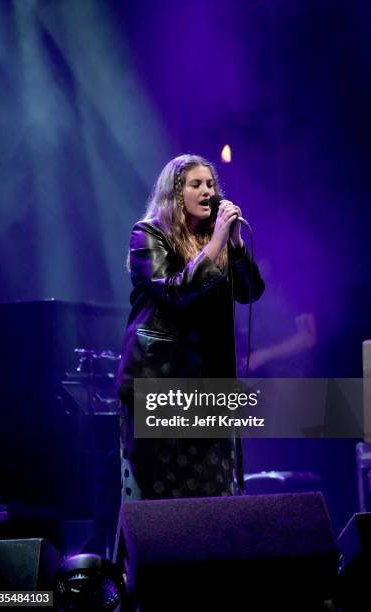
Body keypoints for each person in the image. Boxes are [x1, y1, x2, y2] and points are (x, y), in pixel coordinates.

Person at [116, 154, 265, 500]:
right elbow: (175, 291)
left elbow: (250, 291)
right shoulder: (147, 234)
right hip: (160, 380)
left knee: (214, 492)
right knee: (166, 496)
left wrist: (236, 244)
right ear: (175, 192)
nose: (207, 192)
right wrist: (216, 244)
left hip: (210, 382)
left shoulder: (219, 240)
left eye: (211, 184)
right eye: (196, 184)